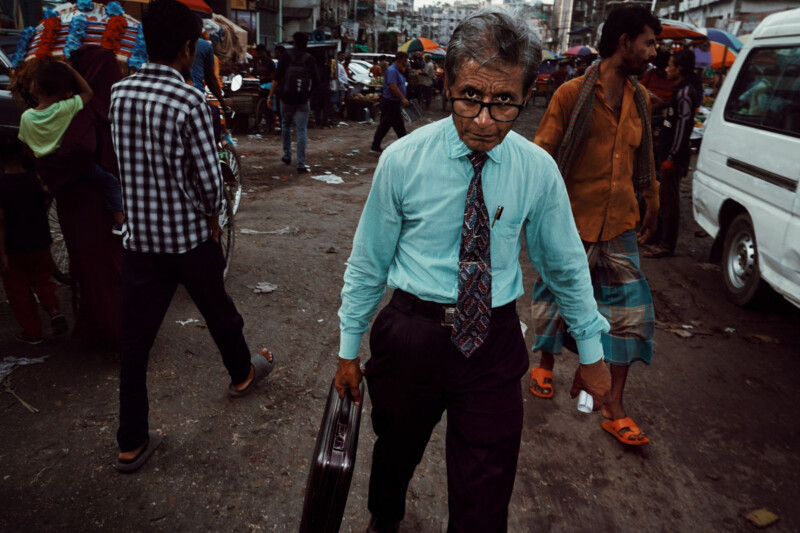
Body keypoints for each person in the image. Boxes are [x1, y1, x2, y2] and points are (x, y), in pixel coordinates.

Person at [334, 8, 611, 532]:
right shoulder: (403, 160)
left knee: (486, 497)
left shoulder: (537, 170)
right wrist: (350, 350)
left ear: (527, 97)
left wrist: (593, 354)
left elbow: (566, 267)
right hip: (412, 334)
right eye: (470, 98)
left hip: (493, 342)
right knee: (393, 455)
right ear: (447, 84)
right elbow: (368, 260)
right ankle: (384, 520)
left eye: (504, 102)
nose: (484, 119)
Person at [109, 0, 274, 473]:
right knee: (219, 310)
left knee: (135, 344)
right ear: (188, 47)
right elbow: (208, 181)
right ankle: (242, 374)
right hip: (187, 239)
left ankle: (131, 442)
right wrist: (216, 219)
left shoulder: (120, 94)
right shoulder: (188, 101)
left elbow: (127, 166)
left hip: (140, 242)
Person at [530, 4, 661, 446]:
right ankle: (544, 363)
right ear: (624, 42)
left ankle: (613, 406)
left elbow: (644, 160)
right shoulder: (570, 94)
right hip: (571, 221)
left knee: (629, 317)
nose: (653, 51)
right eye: (648, 42)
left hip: (620, 223)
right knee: (556, 298)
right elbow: (542, 155)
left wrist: (653, 198)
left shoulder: (641, 98)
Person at [18, 61, 125, 235]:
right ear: (67, 92)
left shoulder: (27, 117)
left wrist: (40, 171)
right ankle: (119, 221)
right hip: (79, 167)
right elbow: (88, 93)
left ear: (36, 88)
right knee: (111, 182)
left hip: (49, 170)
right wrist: (71, 69)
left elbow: (27, 146)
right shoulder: (66, 108)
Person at [0, 137, 67, 344]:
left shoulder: (1, 185)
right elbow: (47, 196)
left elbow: (1, 222)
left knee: (18, 290)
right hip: (40, 241)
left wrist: (1, 253)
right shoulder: (34, 179)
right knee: (42, 279)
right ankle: (53, 309)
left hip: (13, 247)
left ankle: (32, 332)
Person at [643, 49, 699, 259]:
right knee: (665, 198)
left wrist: (672, 157)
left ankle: (666, 245)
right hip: (667, 153)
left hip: (673, 157)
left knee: (670, 201)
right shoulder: (679, 91)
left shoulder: (685, 94)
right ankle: (659, 238)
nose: (666, 69)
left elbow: (683, 128)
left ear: (679, 69)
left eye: (670, 65)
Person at [267, 32, 318, 174]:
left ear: (294, 42)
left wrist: (270, 96)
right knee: (302, 130)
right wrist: (308, 95)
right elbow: (316, 81)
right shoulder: (310, 59)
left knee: (286, 125)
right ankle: (301, 164)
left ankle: (287, 155)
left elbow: (276, 79)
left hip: (286, 98)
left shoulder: (285, 57)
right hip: (303, 100)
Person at [370, 51, 410, 154]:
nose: (406, 62)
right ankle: (376, 146)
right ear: (399, 60)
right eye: (405, 60)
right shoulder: (392, 70)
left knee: (394, 125)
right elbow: (393, 86)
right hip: (390, 102)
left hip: (393, 102)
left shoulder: (398, 70)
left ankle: (404, 146)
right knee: (390, 125)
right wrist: (403, 98)